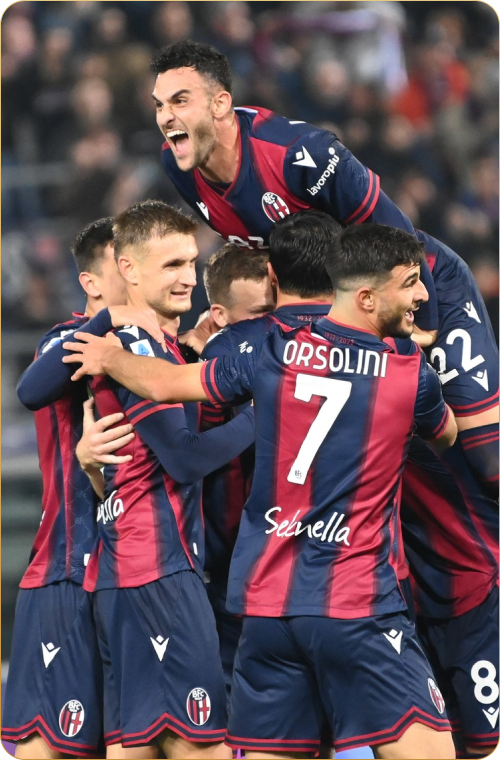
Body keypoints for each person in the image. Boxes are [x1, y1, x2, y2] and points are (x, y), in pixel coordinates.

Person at [62, 223, 458, 760]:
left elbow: (163, 383)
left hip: (268, 610)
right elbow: (447, 433)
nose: (421, 296)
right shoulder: (409, 372)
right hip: (358, 602)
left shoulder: (272, 352)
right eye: (410, 283)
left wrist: (110, 359)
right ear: (366, 297)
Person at [71, 200, 262, 760]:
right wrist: (262, 413)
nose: (188, 278)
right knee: (201, 746)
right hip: (161, 571)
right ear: (128, 269)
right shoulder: (137, 349)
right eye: (172, 265)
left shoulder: (148, 346)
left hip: (121, 572)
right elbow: (183, 458)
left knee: (133, 747)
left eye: (190, 263)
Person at [1, 218, 162, 760]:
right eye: (123, 264)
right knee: (51, 745)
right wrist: (110, 319)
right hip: (68, 568)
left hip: (136, 574)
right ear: (91, 282)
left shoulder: (153, 347)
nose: (136, 274)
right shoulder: (65, 341)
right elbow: (30, 390)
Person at [150, 39, 439, 336]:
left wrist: (425, 325)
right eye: (160, 104)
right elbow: (265, 255)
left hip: (423, 283)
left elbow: (396, 233)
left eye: (180, 101)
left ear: (220, 104)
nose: (165, 117)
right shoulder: (178, 164)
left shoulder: (300, 154)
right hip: (333, 309)